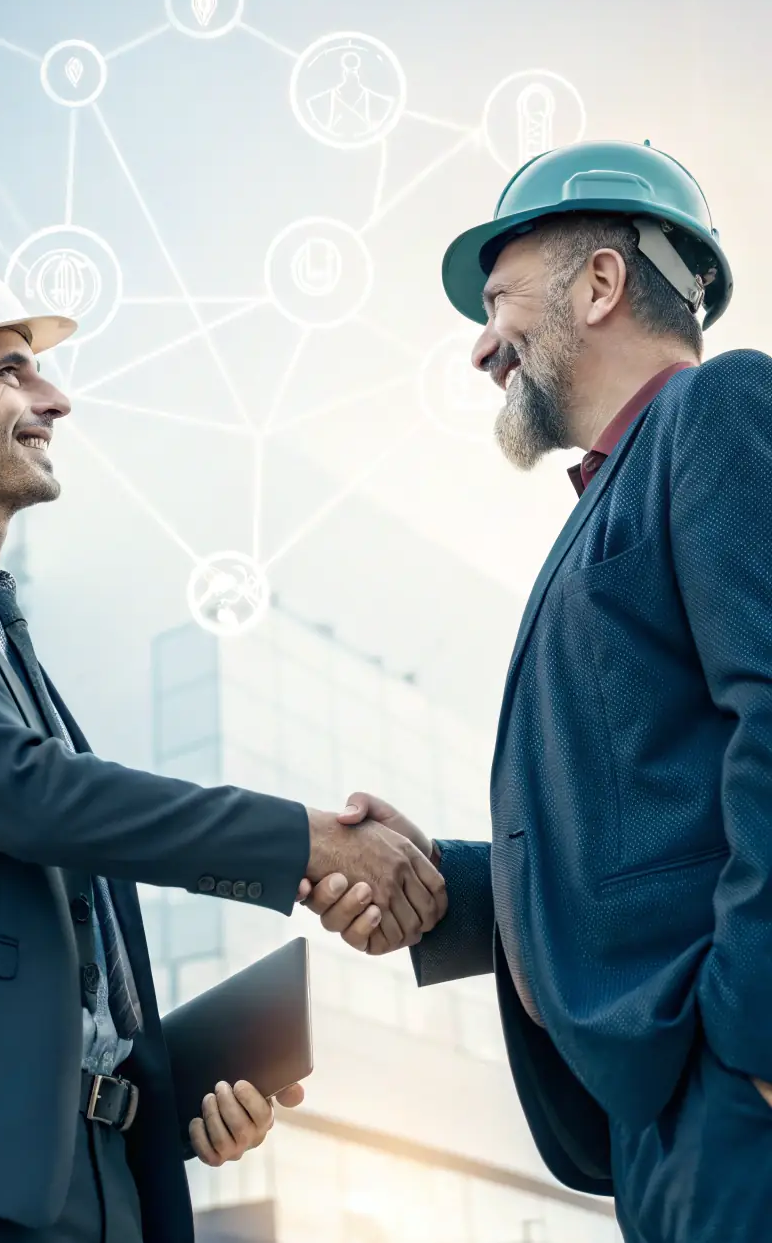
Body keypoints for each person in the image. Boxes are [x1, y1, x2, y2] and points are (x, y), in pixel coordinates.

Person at [0, 257, 447, 1243]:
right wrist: (302, 842)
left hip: (101, 1192)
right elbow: (27, 798)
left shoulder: (7, 642)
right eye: (12, 372)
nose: (56, 397)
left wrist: (178, 1091)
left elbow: (56, 937)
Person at [303, 140, 772, 1243]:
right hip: (668, 1122)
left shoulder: (716, 412)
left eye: (500, 298)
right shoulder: (610, 495)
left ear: (600, 284)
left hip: (728, 1098)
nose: (481, 346)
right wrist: (443, 892)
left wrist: (749, 1048)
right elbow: (642, 817)